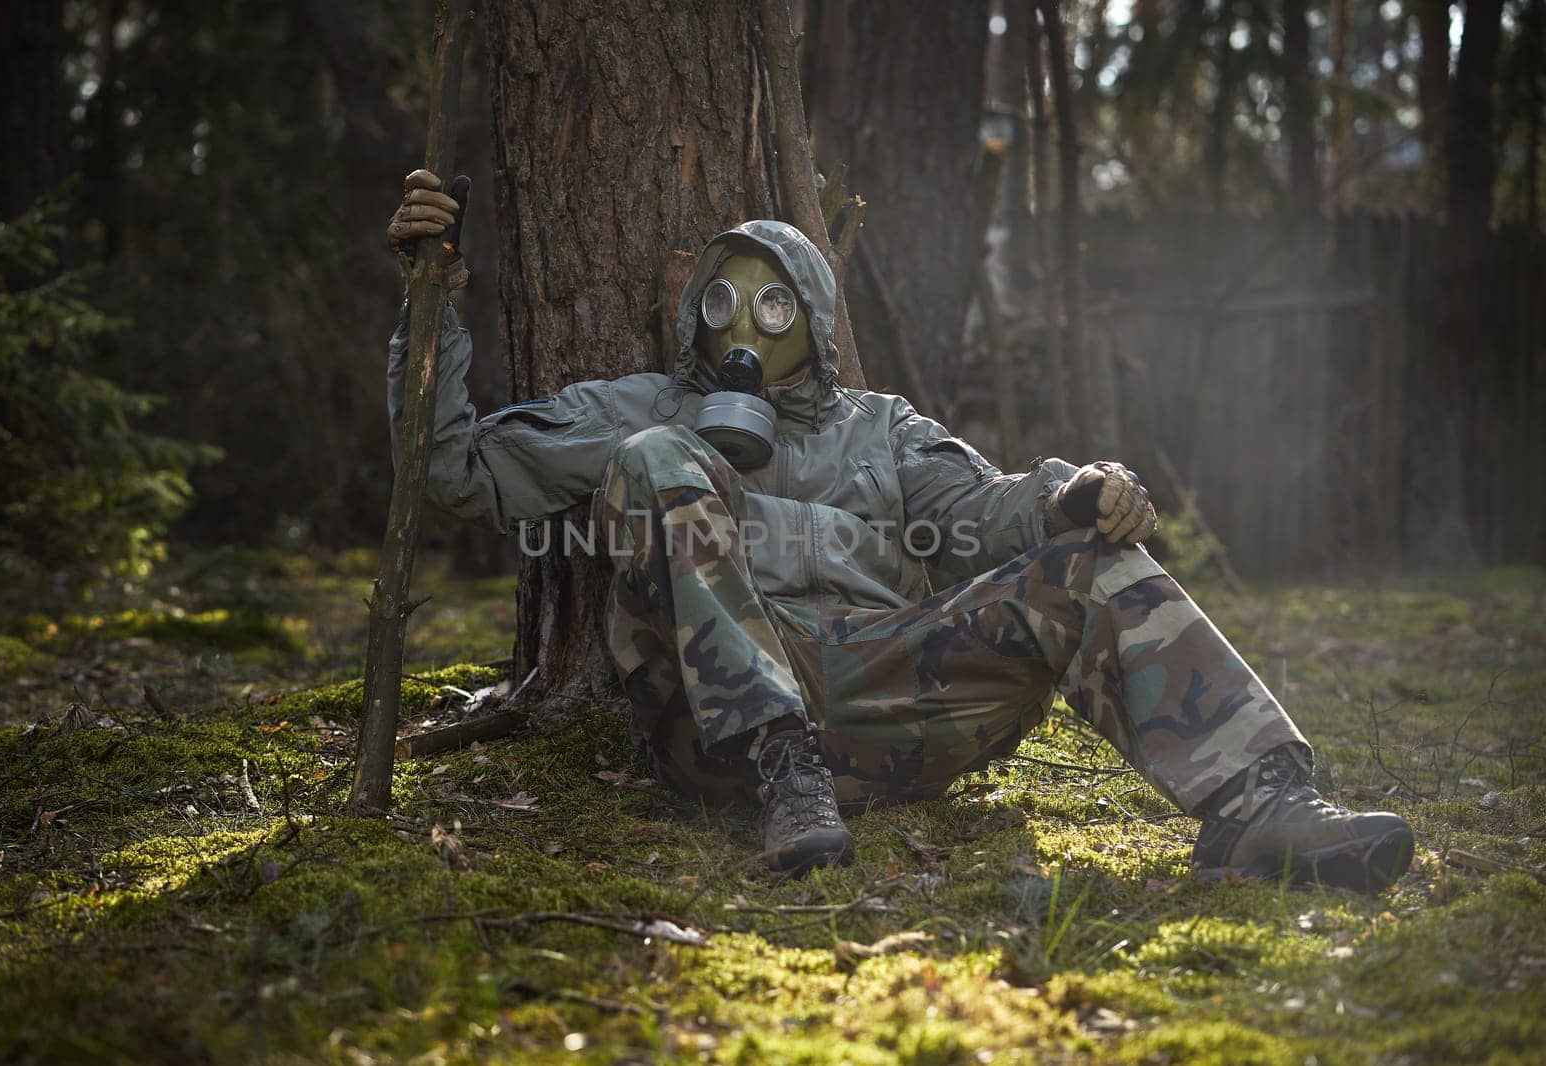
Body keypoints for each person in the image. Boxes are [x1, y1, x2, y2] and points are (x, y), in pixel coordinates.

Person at [385, 170, 1415, 892]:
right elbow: (452, 469)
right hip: (721, 737)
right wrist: (433, 300)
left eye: (774, 306)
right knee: (656, 456)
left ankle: (1259, 801)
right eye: (722, 304)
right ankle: (781, 767)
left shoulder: (882, 431)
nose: (744, 329)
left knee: (1089, 560)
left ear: (818, 317)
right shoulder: (643, 410)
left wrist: (1079, 491)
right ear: (694, 314)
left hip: (893, 706)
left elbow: (990, 516)